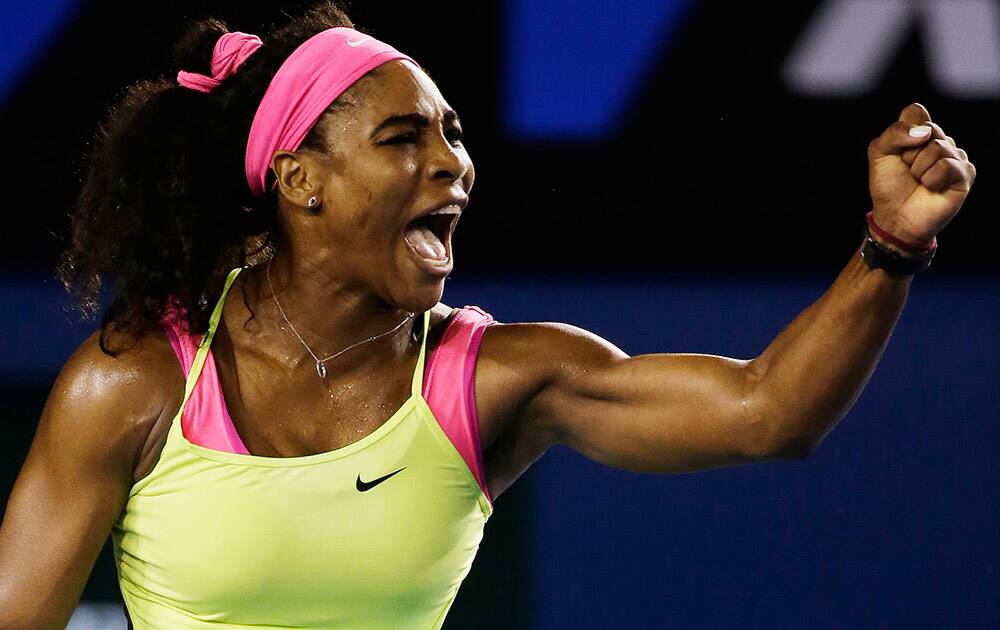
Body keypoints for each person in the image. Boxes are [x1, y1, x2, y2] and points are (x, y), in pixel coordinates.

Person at [0, 1, 976, 628]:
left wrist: (889, 247)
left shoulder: (502, 378)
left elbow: (768, 412)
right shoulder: (132, 384)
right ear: (302, 182)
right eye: (402, 138)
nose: (450, 164)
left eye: (455, 137)